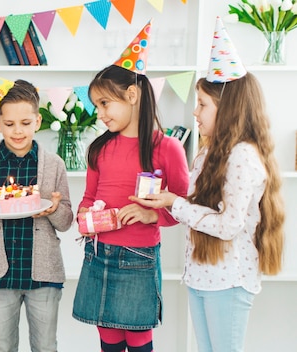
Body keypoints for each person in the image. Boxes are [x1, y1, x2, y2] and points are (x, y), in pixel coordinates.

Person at [130, 18, 284, 352]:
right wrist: (161, 202)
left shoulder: (243, 155)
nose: (195, 112)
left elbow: (228, 225)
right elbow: (196, 208)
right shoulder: (208, 152)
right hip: (202, 275)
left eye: (202, 104)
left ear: (226, 107)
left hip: (228, 280)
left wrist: (174, 202)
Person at [71, 21, 190, 352]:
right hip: (98, 254)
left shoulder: (167, 147)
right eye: (97, 106)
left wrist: (153, 216)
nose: (100, 113)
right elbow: (90, 196)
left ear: (132, 95)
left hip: (139, 257)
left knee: (138, 338)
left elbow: (182, 205)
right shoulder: (98, 148)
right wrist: (85, 214)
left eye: (105, 104)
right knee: (108, 338)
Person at [0, 65, 74, 352]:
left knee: (46, 346)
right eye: (9, 124)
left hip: (44, 274)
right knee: (1, 346)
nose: (18, 131)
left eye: (25, 123)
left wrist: (53, 210)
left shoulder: (54, 165)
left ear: (37, 121)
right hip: (0, 274)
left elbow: (65, 221)